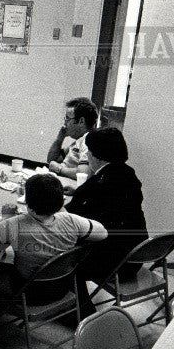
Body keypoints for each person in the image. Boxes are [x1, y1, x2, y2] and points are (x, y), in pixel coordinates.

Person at [0, 172, 107, 301]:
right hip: (62, 286)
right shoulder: (71, 220)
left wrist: (6, 219)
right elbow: (103, 233)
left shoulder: (15, 224)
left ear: (27, 201)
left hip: (28, 292)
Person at [66, 127, 149, 297]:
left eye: (89, 151)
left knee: (63, 259)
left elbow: (71, 215)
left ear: (98, 155)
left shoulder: (103, 182)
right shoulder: (126, 173)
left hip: (115, 263)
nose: (87, 155)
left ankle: (80, 311)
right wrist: (78, 192)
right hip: (135, 255)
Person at [47, 97, 99, 178]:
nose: (65, 123)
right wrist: (60, 138)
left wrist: (59, 169)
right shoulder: (79, 141)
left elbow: (83, 173)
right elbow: (52, 159)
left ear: (81, 121)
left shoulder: (88, 140)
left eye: (68, 118)